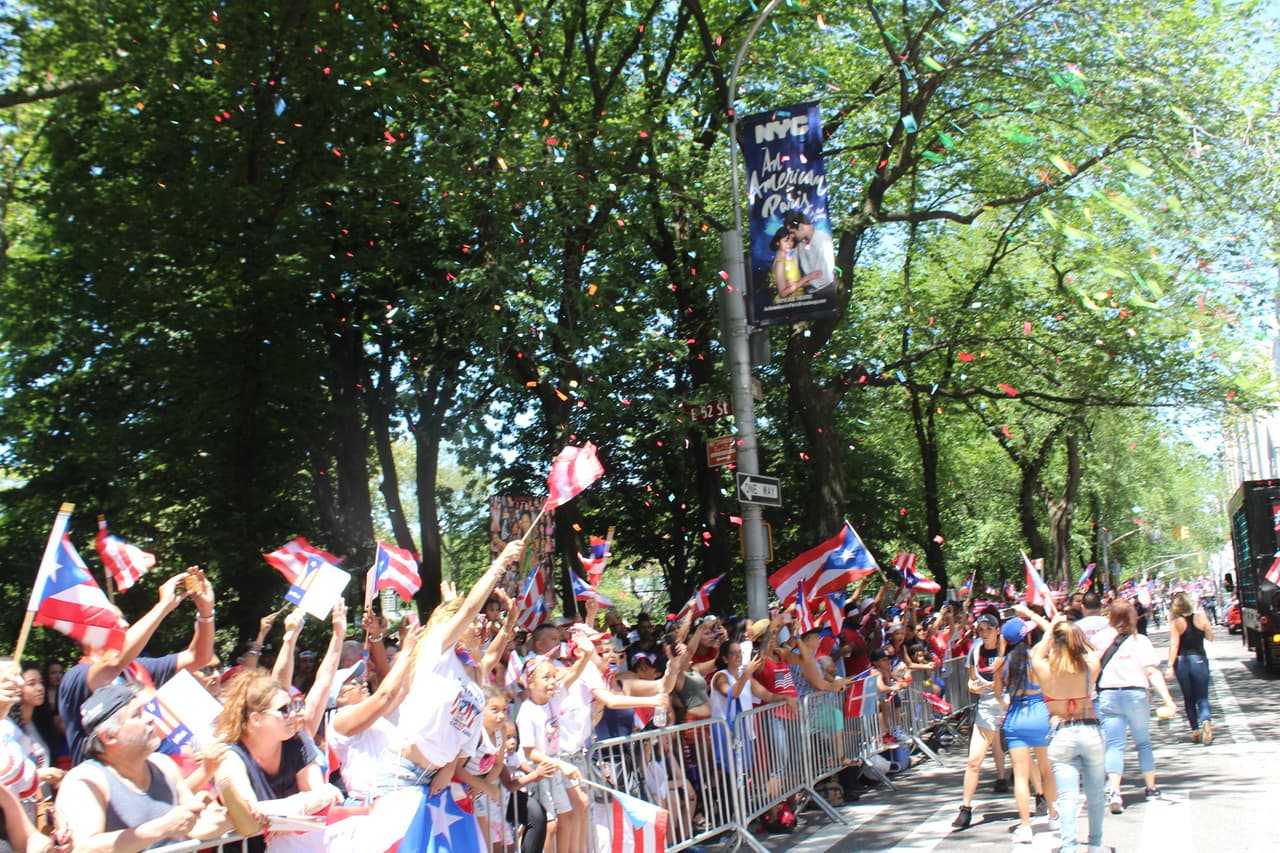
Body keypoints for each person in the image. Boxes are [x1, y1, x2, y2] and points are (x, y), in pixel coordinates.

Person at [59, 568, 217, 766]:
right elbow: (112, 664)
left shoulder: (138, 667)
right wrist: (164, 606)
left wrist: (206, 612)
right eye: (114, 620)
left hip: (164, 773)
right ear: (89, 634)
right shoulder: (76, 677)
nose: (124, 624)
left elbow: (198, 657)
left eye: (123, 618)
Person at [54, 682, 229, 852]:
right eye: (137, 714)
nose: (151, 718)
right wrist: (162, 828)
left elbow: (193, 826)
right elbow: (84, 848)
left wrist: (231, 818)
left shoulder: (163, 765)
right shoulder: (85, 781)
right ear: (109, 736)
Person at [213, 670, 340, 853]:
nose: (294, 714)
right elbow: (250, 817)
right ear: (256, 719)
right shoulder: (229, 756)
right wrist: (300, 806)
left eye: (294, 706)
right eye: (284, 710)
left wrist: (279, 814)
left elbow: (323, 797)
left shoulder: (298, 742)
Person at [1092, 598, 1176, 813]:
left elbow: (1090, 667)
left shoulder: (1099, 639)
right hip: (1136, 694)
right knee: (1143, 742)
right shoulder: (1140, 641)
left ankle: (1114, 791)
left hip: (1108, 694)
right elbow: (1151, 672)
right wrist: (1167, 698)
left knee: (1114, 745)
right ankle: (1151, 787)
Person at [1031, 618, 1107, 853]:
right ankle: (1095, 845)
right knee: (1095, 794)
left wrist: (1049, 632)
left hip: (1061, 732)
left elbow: (1035, 655)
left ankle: (1069, 846)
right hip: (1089, 728)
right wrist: (1077, 637)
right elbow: (1095, 652)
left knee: (1067, 796)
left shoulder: (1045, 669)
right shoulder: (1088, 667)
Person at [993, 614, 1059, 844]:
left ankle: (1025, 825)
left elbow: (999, 696)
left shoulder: (1002, 664)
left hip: (1016, 715)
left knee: (1021, 776)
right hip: (1039, 713)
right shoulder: (1037, 655)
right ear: (1027, 635)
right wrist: (1030, 613)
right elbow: (1052, 628)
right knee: (1046, 769)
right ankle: (1053, 815)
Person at [952, 611, 1008, 831]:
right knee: (974, 760)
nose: (984, 633)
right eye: (981, 630)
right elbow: (972, 679)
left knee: (1024, 757)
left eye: (988, 629)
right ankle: (965, 809)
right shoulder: (976, 651)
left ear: (997, 630)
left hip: (1010, 705)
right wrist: (972, 686)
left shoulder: (1009, 648)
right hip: (986, 709)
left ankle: (1041, 795)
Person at [1167, 591, 1214, 744]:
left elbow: (1174, 645)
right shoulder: (1201, 617)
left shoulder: (1176, 623)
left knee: (1188, 698)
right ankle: (1206, 721)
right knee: (1202, 696)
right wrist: (1206, 628)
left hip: (1182, 662)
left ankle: (1195, 729)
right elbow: (1210, 637)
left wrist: (1169, 666)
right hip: (1199, 659)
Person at [781, 209, 836, 294]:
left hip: (825, 293)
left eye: (793, 232)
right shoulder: (800, 244)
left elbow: (824, 277)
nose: (792, 236)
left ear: (801, 227)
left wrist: (798, 284)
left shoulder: (823, 241)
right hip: (809, 296)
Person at [770, 227, 804, 299]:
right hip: (788, 305)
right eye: (786, 241)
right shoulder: (780, 263)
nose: (789, 244)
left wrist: (796, 283)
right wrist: (807, 279)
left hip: (800, 301)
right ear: (777, 242)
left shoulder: (791, 260)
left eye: (791, 240)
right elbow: (783, 293)